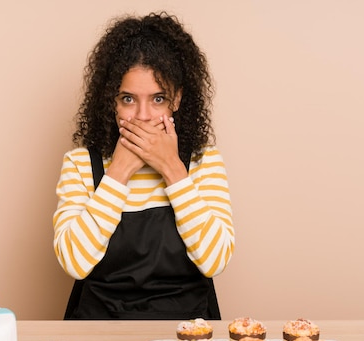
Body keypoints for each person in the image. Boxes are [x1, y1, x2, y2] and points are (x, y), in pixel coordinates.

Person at [53, 11, 235, 320]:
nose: (143, 115)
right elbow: (74, 262)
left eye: (158, 99)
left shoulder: (203, 162)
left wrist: (172, 169)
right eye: (128, 99)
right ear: (111, 100)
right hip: (99, 331)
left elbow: (215, 260)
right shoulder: (81, 163)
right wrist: (118, 173)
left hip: (188, 336)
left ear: (176, 99)